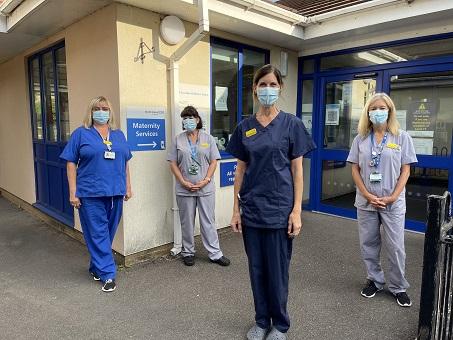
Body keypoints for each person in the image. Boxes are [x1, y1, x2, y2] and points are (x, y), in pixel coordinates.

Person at [227, 64, 315, 340]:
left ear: (280, 89)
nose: (267, 89)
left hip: (279, 211)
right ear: (254, 90)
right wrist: (235, 210)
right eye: (262, 85)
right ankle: (261, 321)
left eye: (272, 85)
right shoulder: (245, 127)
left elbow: (297, 171)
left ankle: (280, 324)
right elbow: (240, 171)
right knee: (257, 270)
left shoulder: (292, 125)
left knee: (277, 272)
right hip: (252, 210)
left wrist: (297, 211)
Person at [346, 92, 417, 307]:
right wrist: (367, 195)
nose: (378, 112)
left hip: (393, 202)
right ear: (368, 112)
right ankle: (374, 280)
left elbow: (406, 170)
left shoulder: (401, 137)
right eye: (374, 108)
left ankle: (398, 287)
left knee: (395, 246)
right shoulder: (360, 139)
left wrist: (393, 196)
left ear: (390, 111)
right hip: (366, 201)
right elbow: (355, 170)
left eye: (382, 108)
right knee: (368, 243)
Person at [60, 96, 132, 293]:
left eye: (105, 108)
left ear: (110, 112)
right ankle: (108, 274)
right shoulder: (81, 134)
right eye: (97, 108)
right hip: (90, 193)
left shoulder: (119, 135)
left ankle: (95, 267)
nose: (101, 111)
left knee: (106, 233)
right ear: (91, 112)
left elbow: (125, 162)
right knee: (98, 233)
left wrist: (128, 186)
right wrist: (73, 191)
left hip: (116, 192)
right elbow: (70, 163)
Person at [167, 105, 230, 267]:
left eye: (191, 118)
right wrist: (182, 181)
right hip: (184, 188)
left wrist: (206, 179)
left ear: (197, 120)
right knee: (186, 222)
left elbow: (214, 161)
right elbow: (173, 163)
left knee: (208, 221)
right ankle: (188, 252)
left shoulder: (208, 139)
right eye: (185, 118)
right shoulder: (178, 139)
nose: (188, 121)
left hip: (205, 188)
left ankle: (215, 253)